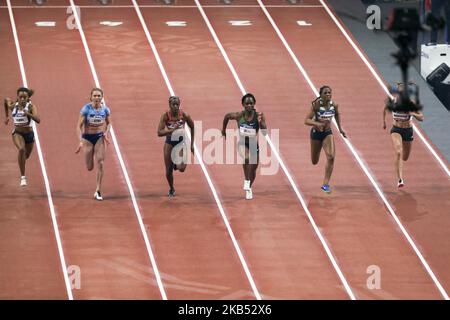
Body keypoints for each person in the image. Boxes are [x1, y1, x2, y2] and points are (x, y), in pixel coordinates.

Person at [222, 93, 267, 200]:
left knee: (253, 169)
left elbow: (265, 132)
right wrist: (223, 130)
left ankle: (249, 187)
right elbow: (227, 116)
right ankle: (246, 180)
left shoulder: (258, 116)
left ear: (254, 104)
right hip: (242, 143)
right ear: (243, 104)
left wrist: (261, 123)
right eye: (247, 103)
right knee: (246, 158)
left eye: (251, 103)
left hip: (253, 144)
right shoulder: (239, 116)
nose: (249, 105)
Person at [304, 86, 346, 194]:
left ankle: (325, 184)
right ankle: (317, 153)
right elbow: (307, 120)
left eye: (329, 93)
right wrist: (317, 123)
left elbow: (336, 115)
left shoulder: (334, 105)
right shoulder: (316, 105)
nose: (328, 94)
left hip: (327, 133)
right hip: (316, 134)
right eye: (326, 93)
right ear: (321, 94)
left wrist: (340, 129)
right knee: (314, 161)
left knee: (331, 157)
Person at [383, 82, 424, 188]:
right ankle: (400, 180)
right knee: (398, 151)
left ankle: (399, 162)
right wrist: (383, 122)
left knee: (405, 157)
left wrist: (412, 114)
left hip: (408, 131)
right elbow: (384, 110)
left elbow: (421, 118)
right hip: (396, 129)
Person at [75, 88, 111, 201]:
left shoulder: (105, 110)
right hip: (87, 139)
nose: (96, 97)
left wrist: (106, 133)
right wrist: (80, 141)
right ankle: (90, 157)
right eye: (94, 96)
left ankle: (98, 190)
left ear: (101, 97)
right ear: (91, 97)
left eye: (98, 96)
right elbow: (78, 126)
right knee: (90, 167)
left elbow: (109, 123)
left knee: (100, 162)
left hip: (99, 137)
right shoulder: (86, 109)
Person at [157, 96, 195, 198]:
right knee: (168, 171)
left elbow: (192, 126)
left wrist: (192, 145)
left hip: (181, 143)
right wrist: (171, 131)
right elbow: (159, 132)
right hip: (169, 143)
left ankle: (175, 164)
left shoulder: (184, 115)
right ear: (169, 105)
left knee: (182, 168)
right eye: (173, 104)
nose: (175, 106)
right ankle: (172, 188)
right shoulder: (165, 116)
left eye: (177, 104)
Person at [4, 87, 40, 186]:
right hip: (17, 133)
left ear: (28, 98)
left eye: (25, 97)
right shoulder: (13, 106)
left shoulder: (31, 107)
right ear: (18, 97)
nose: (23, 99)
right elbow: (6, 100)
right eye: (21, 97)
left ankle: (22, 160)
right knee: (21, 150)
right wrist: (7, 116)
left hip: (29, 135)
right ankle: (23, 177)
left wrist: (28, 113)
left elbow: (38, 120)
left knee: (26, 156)